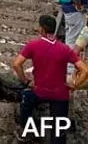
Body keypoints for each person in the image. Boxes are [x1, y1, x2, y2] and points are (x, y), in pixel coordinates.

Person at [13, 15, 88, 144]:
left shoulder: (33, 45)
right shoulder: (64, 49)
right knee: (58, 134)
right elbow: (85, 70)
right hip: (60, 94)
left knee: (26, 97)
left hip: (39, 92)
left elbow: (16, 64)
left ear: (41, 30)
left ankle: (27, 130)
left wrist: (26, 81)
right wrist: (74, 85)